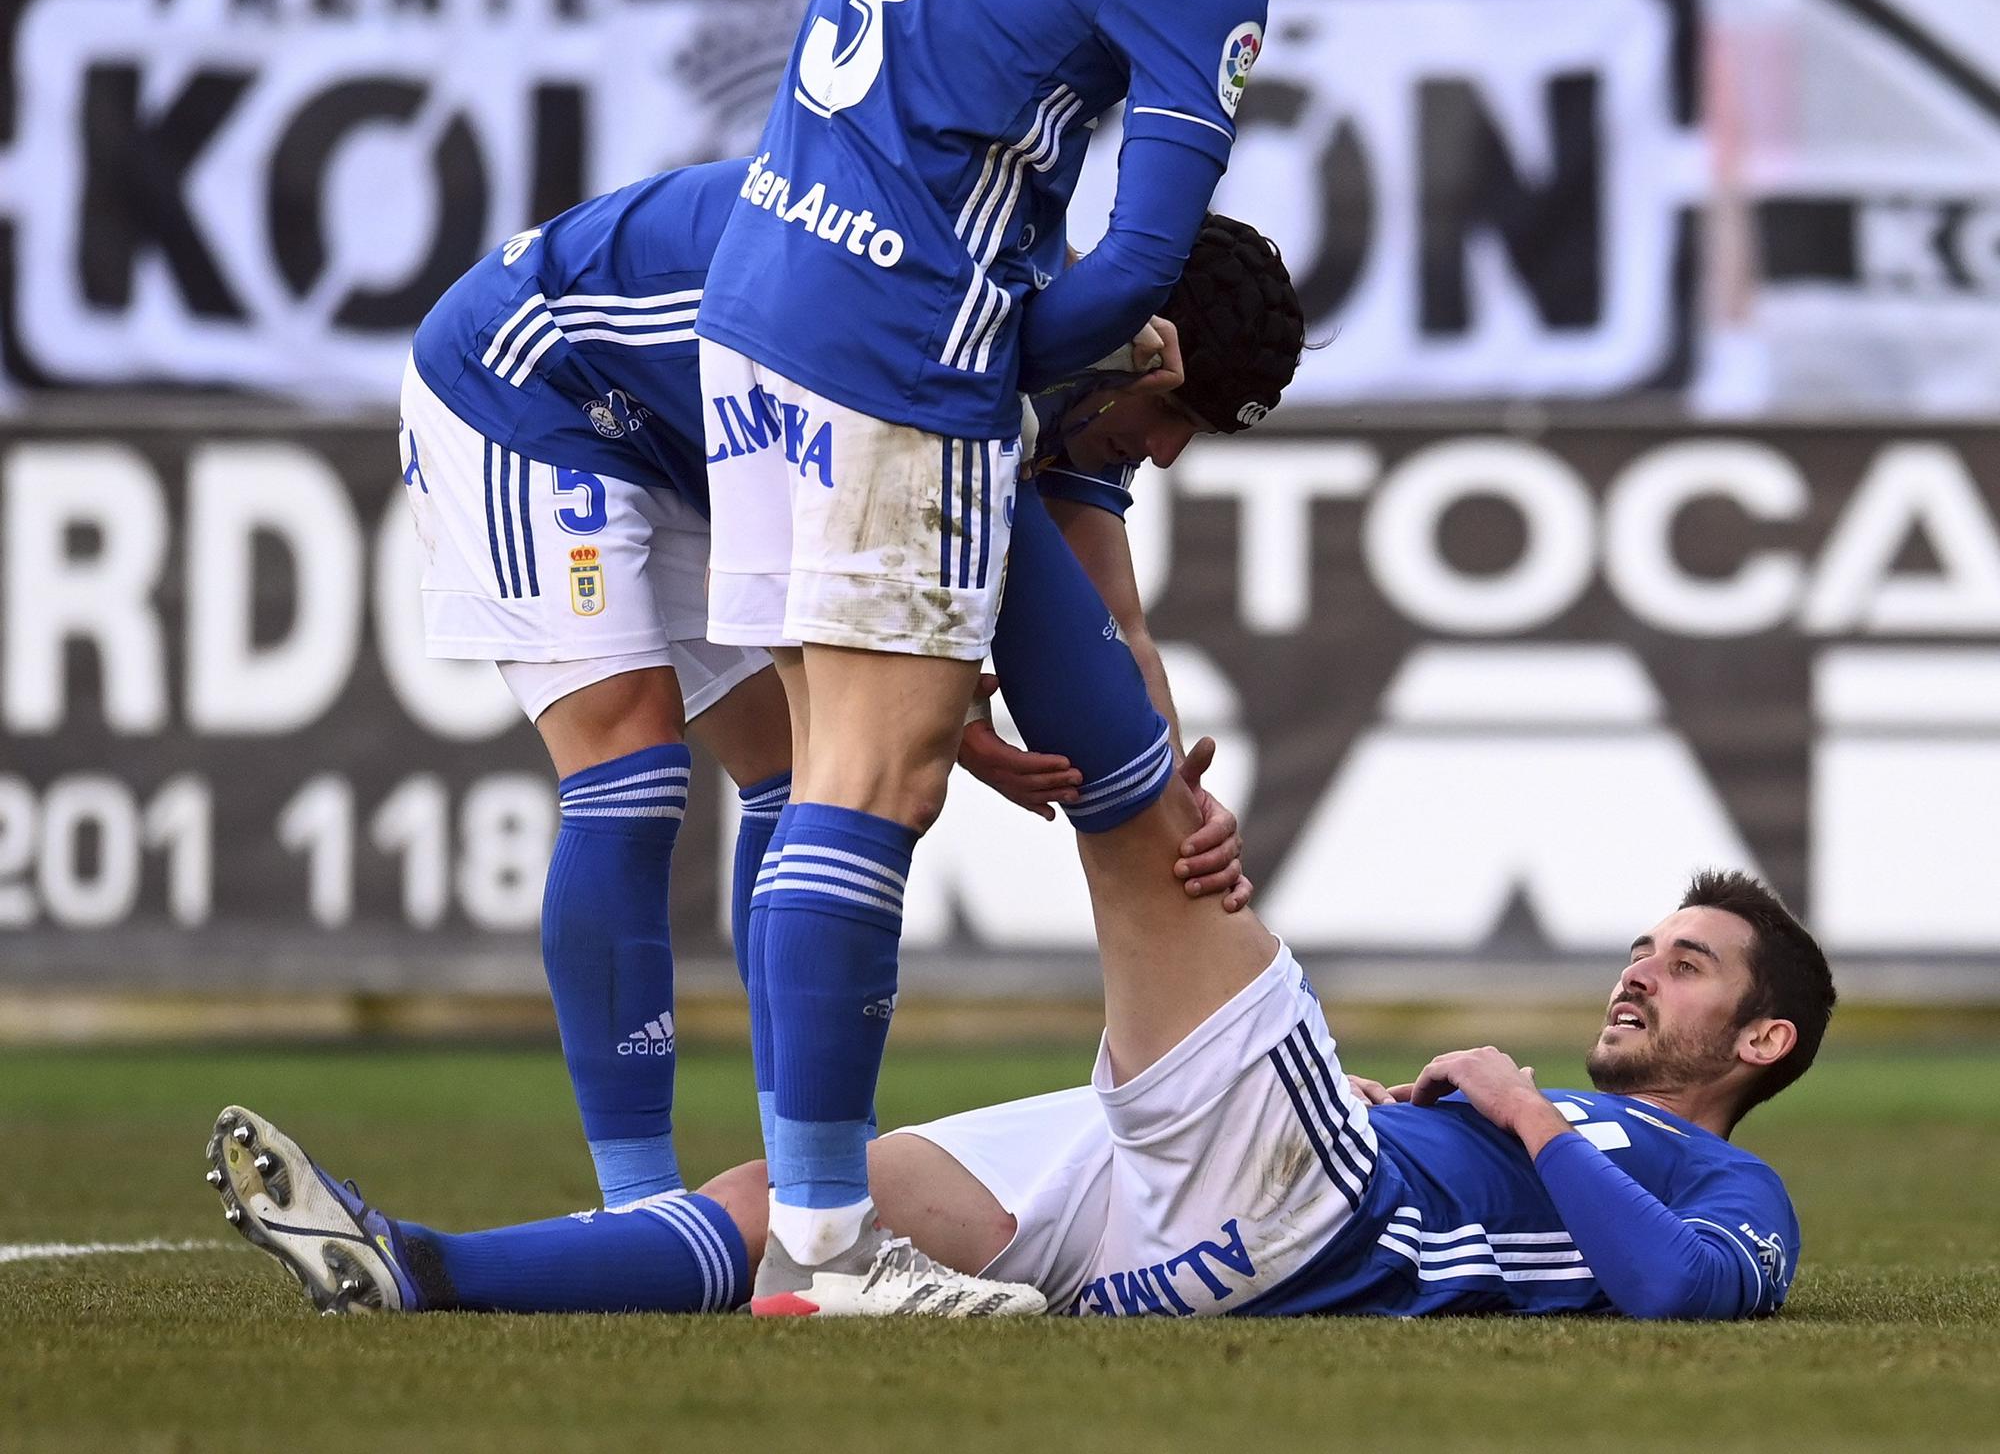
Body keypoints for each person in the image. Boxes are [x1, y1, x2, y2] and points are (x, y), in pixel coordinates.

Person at [205, 540, 1832, 1321]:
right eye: (1649, 941)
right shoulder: (1552, 1121)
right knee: (813, 1200)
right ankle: (428, 1268)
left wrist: (1529, 1112)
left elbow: (1689, 1297)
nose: (1639, 967)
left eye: (1687, 964)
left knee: (1152, 837)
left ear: (1762, 1044)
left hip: (1306, 1215)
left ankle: (994, 466)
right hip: (1187, 1202)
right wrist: (1498, 1112)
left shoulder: (1722, 1180)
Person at [688, 0, 1435, 1314]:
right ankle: (822, 1247)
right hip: (901, 334)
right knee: (872, 787)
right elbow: (1135, 277)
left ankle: (799, 1209)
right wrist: (1044, 357)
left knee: (823, 765)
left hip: (760, 287)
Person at [398, 152, 1300, 1222]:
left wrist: (1177, 812)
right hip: (531, 379)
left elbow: (1118, 626)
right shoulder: (975, 314)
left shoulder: (1091, 377)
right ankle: (635, 1211)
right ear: (1138, 330)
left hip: (696, 433)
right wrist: (960, 713)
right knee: (630, 766)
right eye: (1172, 412)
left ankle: (809, 1178)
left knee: (804, 771)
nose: (1163, 449)